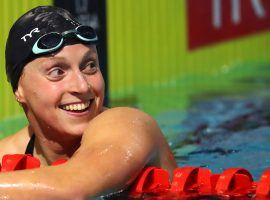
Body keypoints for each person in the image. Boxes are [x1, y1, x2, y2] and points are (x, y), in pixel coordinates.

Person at [0, 5, 176, 199]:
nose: (82, 86)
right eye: (57, 72)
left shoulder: (128, 125)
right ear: (19, 90)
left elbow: (73, 188)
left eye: (90, 66)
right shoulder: (9, 152)